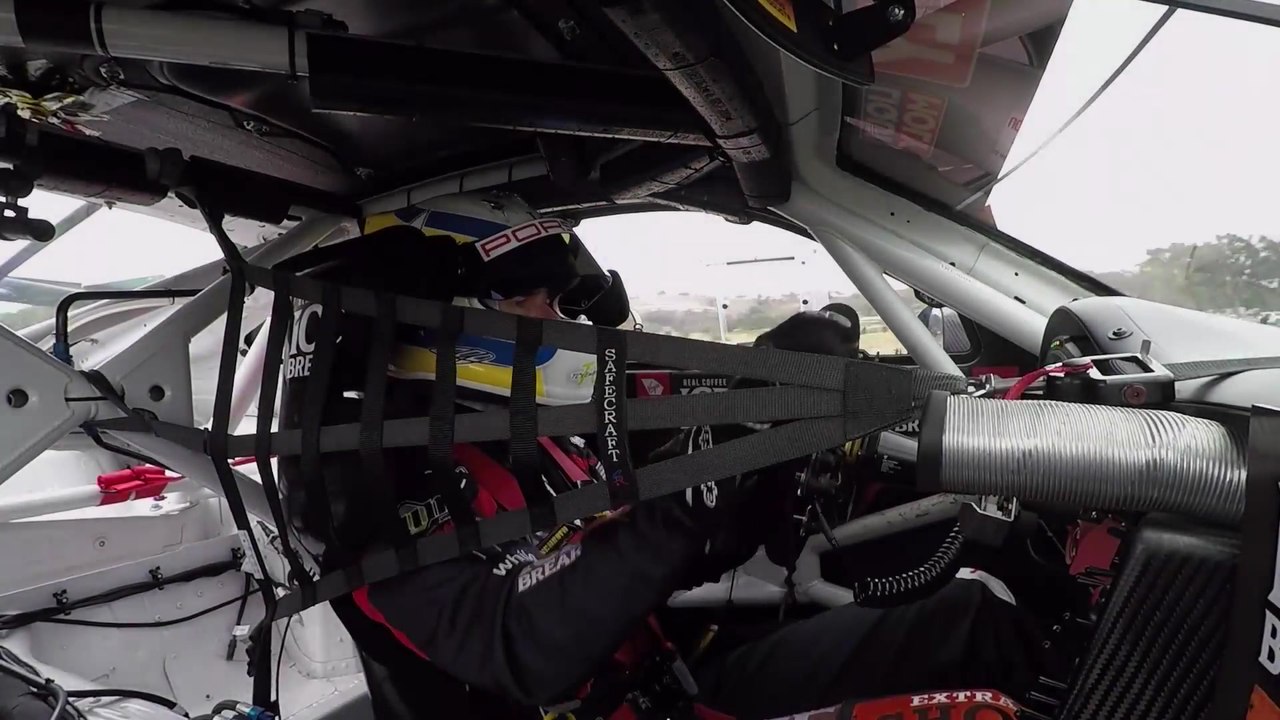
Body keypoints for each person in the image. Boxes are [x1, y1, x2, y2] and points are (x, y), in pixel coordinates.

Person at [276, 191, 1053, 720]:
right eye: (528, 296)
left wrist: (758, 457)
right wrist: (691, 493)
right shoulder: (359, 495)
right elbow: (514, 644)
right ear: (434, 316)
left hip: (669, 686)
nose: (558, 317)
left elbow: (651, 547)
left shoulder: (525, 434)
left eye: (559, 297)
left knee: (972, 620)